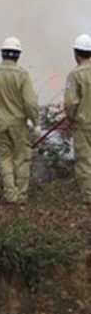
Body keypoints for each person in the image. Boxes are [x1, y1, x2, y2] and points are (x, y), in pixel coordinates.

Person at [0, 36, 39, 205]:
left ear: (2, 53)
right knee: (21, 158)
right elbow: (30, 102)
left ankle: (10, 194)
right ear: (18, 55)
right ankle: (21, 195)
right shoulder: (23, 75)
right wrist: (36, 122)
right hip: (19, 125)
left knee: (4, 158)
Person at [64, 33, 91, 205]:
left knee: (85, 161)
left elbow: (71, 102)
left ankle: (88, 196)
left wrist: (70, 118)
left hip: (84, 125)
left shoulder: (75, 75)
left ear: (76, 53)